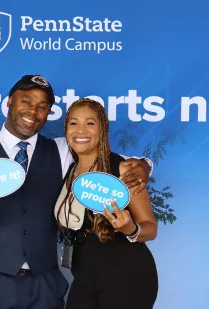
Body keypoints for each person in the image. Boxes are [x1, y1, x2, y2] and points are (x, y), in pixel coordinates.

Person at [0, 75, 153, 309]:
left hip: (44, 285)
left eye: (42, 107)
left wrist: (145, 165)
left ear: (48, 113)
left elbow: (112, 160)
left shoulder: (62, 149)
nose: (32, 111)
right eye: (26, 101)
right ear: (9, 102)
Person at [54, 98, 159, 309]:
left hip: (127, 276)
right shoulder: (68, 169)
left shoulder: (122, 170)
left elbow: (150, 227)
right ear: (66, 130)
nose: (81, 130)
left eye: (90, 123)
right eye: (73, 123)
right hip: (84, 275)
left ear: (103, 130)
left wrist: (131, 230)